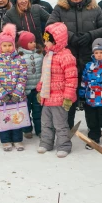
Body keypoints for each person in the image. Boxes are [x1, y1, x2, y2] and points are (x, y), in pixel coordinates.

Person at [46, 0, 102, 129]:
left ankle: (93, 130)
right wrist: (70, 36)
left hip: (89, 59)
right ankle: (66, 128)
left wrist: (90, 35)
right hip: (67, 59)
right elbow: (50, 26)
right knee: (69, 95)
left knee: (90, 95)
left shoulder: (94, 8)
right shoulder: (60, 8)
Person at [36, 22, 78, 158]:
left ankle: (64, 145)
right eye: (45, 40)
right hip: (47, 96)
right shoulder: (48, 55)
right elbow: (44, 75)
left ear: (57, 40)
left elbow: (71, 78)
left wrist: (68, 96)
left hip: (60, 98)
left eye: (47, 41)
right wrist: (39, 90)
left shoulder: (66, 56)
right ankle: (46, 142)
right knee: (46, 122)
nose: (45, 43)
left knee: (60, 124)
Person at [0, 24, 28, 151]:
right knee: (4, 118)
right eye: (4, 45)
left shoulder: (20, 60)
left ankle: (17, 139)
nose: (7, 48)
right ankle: (5, 140)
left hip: (16, 96)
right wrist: (2, 93)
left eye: (10, 45)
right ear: (0, 46)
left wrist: (17, 92)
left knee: (16, 117)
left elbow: (23, 77)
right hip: (1, 97)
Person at [17, 31, 43, 139]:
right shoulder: (19, 55)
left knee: (38, 110)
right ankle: (27, 129)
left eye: (34, 41)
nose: (33, 44)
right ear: (23, 44)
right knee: (25, 109)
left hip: (37, 88)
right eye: (30, 42)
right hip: (25, 89)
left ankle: (40, 129)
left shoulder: (39, 53)